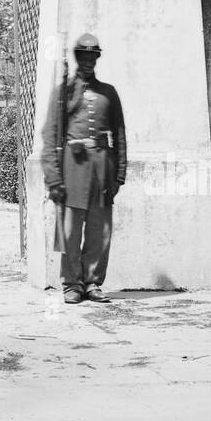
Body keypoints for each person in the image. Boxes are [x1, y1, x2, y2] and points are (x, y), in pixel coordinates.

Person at [41, 33, 126, 304]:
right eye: (84, 57)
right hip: (72, 168)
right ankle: (71, 284)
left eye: (93, 57)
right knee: (70, 231)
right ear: (78, 58)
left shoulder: (108, 92)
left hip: (102, 169)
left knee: (99, 232)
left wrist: (119, 173)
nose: (89, 62)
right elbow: (51, 135)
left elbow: (120, 135)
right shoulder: (64, 93)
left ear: (97, 59)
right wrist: (54, 178)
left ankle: (92, 283)